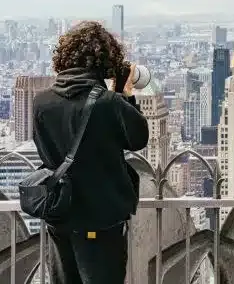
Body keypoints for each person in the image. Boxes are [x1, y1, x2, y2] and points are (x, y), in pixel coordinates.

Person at [32, 21, 149, 284]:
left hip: (58, 212)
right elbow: (138, 138)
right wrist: (124, 94)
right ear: (104, 60)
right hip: (100, 217)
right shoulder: (108, 103)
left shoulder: (41, 101)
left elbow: (43, 150)